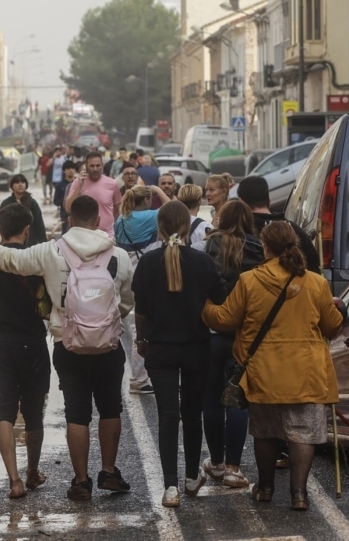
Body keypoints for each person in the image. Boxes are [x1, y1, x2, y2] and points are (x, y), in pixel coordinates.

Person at [0, 195, 134, 502]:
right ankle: (108, 471)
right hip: (108, 346)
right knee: (110, 408)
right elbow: (127, 302)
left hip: (69, 345)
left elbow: (10, 260)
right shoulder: (119, 255)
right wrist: (103, 324)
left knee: (76, 413)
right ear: (98, 221)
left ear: (70, 220)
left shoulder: (51, 251)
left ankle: (81, 480)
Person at [202, 221, 342, 511]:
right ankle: (299, 493)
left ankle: (265, 488)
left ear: (265, 247)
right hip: (307, 372)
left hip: (264, 370)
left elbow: (225, 319)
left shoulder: (249, 280)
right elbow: (332, 326)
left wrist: (204, 304)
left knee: (266, 432)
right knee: (303, 433)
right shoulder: (316, 283)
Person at [132, 201, 227, 507]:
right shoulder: (202, 261)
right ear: (188, 226)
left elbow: (141, 311)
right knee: (192, 413)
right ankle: (190, 477)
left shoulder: (148, 262)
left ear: (159, 227)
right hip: (196, 347)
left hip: (159, 348)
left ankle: (170, 487)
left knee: (167, 415)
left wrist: (142, 340)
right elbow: (221, 298)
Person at [0, 203, 50, 500]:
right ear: (27, 230)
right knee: (34, 414)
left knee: (4, 413)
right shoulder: (33, 261)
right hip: (32, 343)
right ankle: (32, 472)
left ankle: (14, 480)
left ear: (0, 229)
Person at [200, 200, 265, 489]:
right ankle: (233, 468)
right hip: (246, 333)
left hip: (214, 329)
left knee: (212, 398)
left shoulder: (212, 244)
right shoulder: (259, 249)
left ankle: (216, 462)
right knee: (238, 398)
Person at [114, 184, 172, 396]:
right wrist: (158, 190)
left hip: (126, 273)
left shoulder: (121, 220)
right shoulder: (150, 216)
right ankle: (139, 378)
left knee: (130, 320)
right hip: (146, 273)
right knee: (145, 326)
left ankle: (135, 374)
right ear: (146, 200)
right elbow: (173, 208)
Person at [236, 175, 320, 274]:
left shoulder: (238, 233)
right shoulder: (292, 229)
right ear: (269, 200)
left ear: (241, 203)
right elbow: (315, 266)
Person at [63, 151, 122, 238]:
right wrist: (79, 186)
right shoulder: (77, 182)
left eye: (98, 165)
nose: (95, 169)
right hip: (84, 236)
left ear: (102, 165)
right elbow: (68, 209)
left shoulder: (112, 184)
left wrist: (109, 225)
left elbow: (117, 207)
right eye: (92, 166)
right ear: (86, 166)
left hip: (107, 236)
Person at [0, 174, 47, 246]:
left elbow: (39, 223)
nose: (20, 185)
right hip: (11, 242)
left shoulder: (32, 203)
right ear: (12, 186)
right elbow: (2, 223)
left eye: (22, 182)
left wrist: (44, 243)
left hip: (30, 242)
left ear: (26, 185)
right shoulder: (6, 203)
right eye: (17, 182)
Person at [53, 160, 78, 234]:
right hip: (65, 216)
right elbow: (56, 201)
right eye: (68, 168)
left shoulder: (78, 184)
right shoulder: (60, 185)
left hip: (77, 215)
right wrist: (65, 202)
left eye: (72, 168)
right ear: (64, 171)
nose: (70, 170)